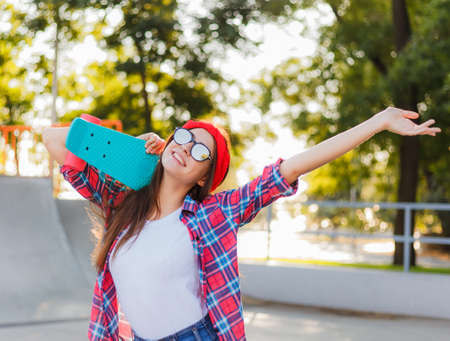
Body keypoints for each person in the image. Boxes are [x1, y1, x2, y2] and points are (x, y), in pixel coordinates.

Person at [42, 107, 440, 341]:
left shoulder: (213, 215)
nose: (186, 147)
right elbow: (54, 140)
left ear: (203, 177)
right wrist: (132, 147)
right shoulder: (121, 204)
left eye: (201, 150)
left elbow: (291, 167)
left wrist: (379, 121)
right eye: (183, 136)